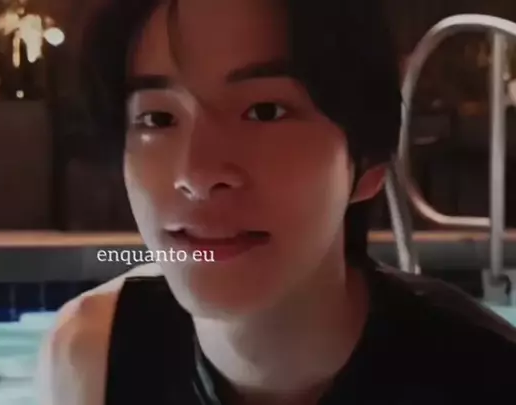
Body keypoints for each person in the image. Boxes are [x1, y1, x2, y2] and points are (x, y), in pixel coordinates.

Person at [38, 0, 516, 404]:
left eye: (265, 111)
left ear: (368, 163)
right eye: (157, 119)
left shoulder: (486, 378)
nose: (196, 176)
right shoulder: (97, 356)